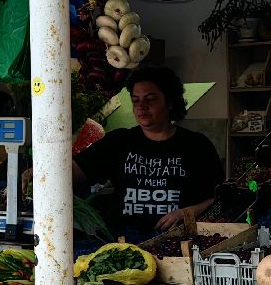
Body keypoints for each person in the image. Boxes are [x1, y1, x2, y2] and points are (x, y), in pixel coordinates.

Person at [73, 66, 224, 240]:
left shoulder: (196, 145)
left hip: (179, 243)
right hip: (124, 243)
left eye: (150, 99)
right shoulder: (119, 141)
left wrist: (187, 213)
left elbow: (219, 199)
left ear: (170, 102)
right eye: (136, 100)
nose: (141, 107)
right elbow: (72, 172)